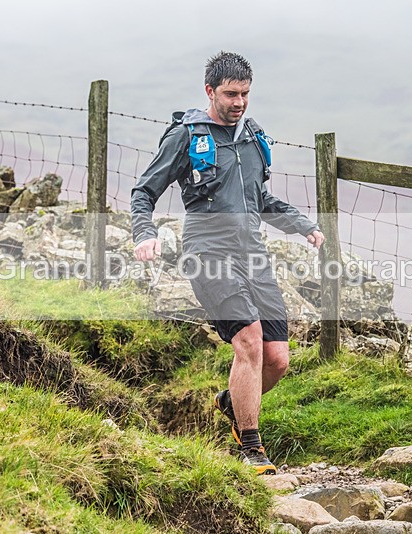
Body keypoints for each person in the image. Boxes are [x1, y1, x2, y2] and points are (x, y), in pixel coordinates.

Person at [131, 51, 324, 475]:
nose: (238, 103)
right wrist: (144, 234)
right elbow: (143, 191)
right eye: (230, 94)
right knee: (249, 341)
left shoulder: (254, 138)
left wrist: (302, 224)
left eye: (245, 94)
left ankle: (229, 402)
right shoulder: (186, 136)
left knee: (277, 360)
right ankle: (251, 448)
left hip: (254, 256)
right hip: (208, 254)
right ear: (210, 92)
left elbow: (262, 199)